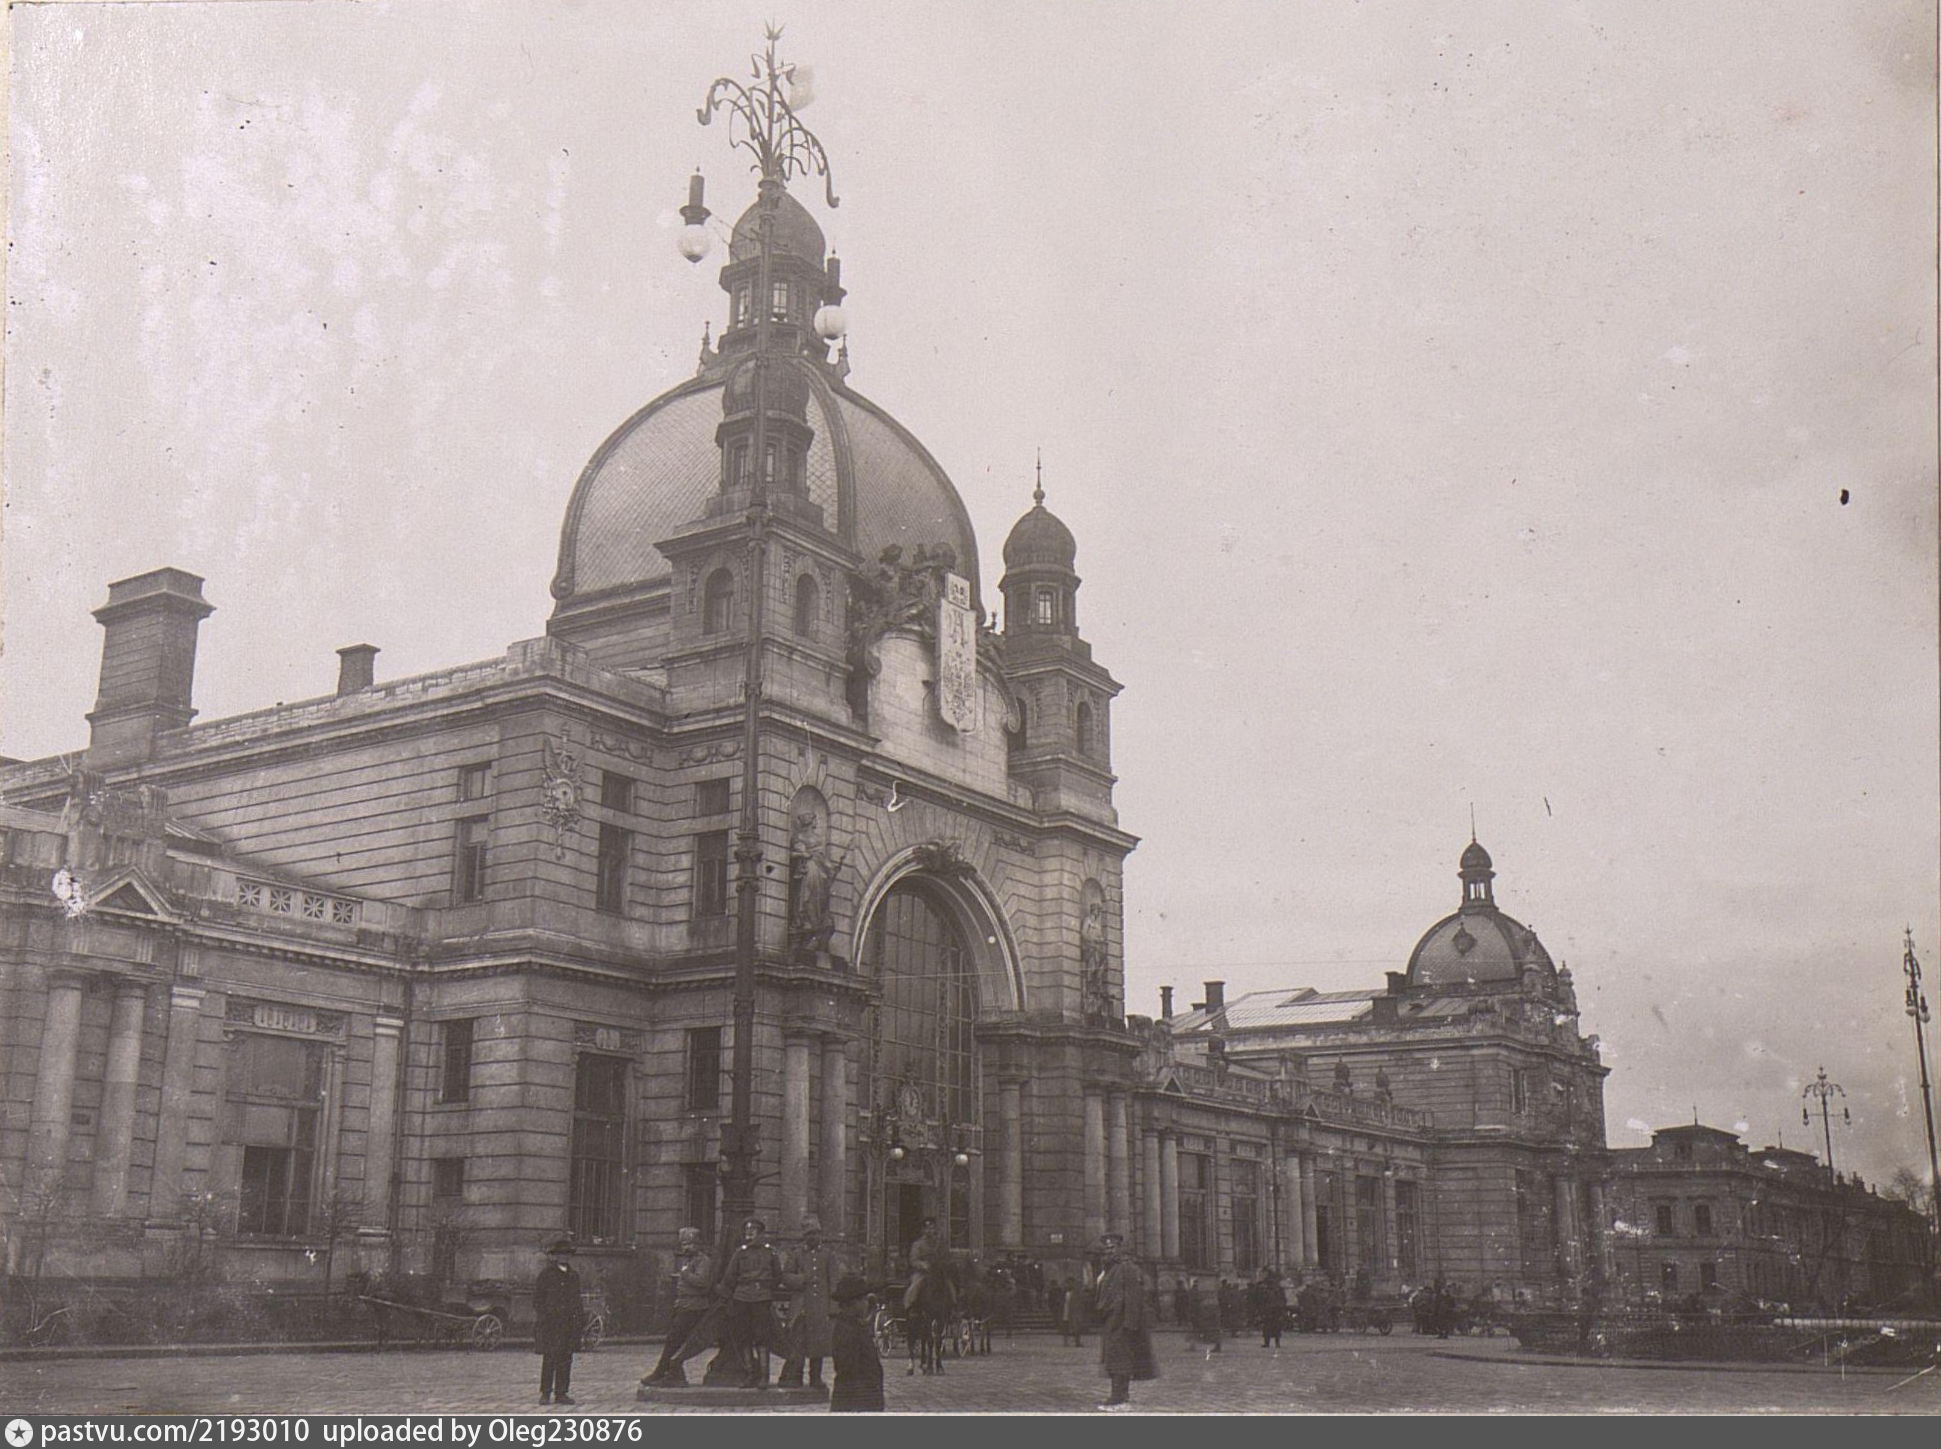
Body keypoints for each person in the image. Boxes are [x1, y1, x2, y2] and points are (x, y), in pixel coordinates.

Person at [715, 1217, 785, 1388]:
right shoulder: (740, 1252)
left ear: (760, 1234)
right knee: (744, 1336)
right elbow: (730, 1276)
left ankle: (764, 1376)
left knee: (762, 1337)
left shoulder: (770, 1252)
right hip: (742, 1298)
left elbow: (777, 1275)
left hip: (762, 1298)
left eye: (752, 1232)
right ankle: (750, 1374)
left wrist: (765, 1288)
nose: (749, 1235)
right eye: (747, 1232)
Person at [1092, 1233, 1158, 1412]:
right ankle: (1120, 1395)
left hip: (1122, 1322)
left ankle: (1119, 1397)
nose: (1109, 1252)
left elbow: (1133, 1296)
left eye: (1112, 1248)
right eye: (1106, 1249)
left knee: (1120, 1360)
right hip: (1112, 1320)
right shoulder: (1110, 1269)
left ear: (1120, 1249)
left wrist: (1130, 1323)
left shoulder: (1126, 1268)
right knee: (1115, 1358)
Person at [641, 1227, 713, 1388]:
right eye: (684, 1244)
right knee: (674, 1340)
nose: (686, 1248)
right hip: (683, 1304)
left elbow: (702, 1282)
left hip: (694, 1307)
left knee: (675, 1340)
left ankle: (662, 1372)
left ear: (698, 1244)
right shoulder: (688, 1260)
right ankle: (673, 1373)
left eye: (689, 1244)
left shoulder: (703, 1261)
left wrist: (685, 1274)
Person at [778, 1214, 841, 1391]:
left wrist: (833, 1307)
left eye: (815, 1233)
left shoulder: (828, 1255)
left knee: (818, 1344)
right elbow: (785, 1277)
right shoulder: (796, 1254)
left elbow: (834, 1282)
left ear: (820, 1235)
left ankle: (815, 1377)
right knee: (797, 1341)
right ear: (804, 1236)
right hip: (801, 1306)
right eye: (809, 1234)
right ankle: (795, 1376)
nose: (812, 1237)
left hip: (820, 1307)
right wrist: (801, 1279)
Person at [533, 1237, 584, 1407]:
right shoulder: (546, 1275)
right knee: (550, 1358)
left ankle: (561, 1392)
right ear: (555, 1256)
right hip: (551, 1323)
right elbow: (537, 1298)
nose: (564, 1256)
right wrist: (545, 1315)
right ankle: (545, 1392)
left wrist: (579, 1319)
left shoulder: (573, 1276)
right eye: (561, 1254)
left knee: (566, 1358)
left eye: (567, 1254)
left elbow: (577, 1299)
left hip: (568, 1323)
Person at [827, 1274, 885, 1413]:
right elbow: (848, 1370)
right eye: (863, 1300)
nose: (866, 1304)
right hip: (856, 1401)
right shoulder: (847, 1331)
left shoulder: (854, 1326)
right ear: (853, 1304)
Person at [902, 1217, 939, 1312]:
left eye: (932, 1228)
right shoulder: (918, 1244)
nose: (930, 1231)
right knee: (916, 1284)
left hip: (937, 1271)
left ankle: (954, 1305)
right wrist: (923, 1265)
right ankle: (910, 1305)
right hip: (922, 1272)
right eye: (927, 1228)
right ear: (923, 1230)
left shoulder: (937, 1243)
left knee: (948, 1283)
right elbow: (913, 1260)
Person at [1250, 1267, 1286, 1349]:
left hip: (1269, 1310)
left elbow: (1261, 1299)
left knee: (1268, 1327)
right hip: (1276, 1310)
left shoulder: (1265, 1289)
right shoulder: (1278, 1289)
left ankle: (1267, 1343)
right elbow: (1283, 1299)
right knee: (1276, 1327)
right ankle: (1277, 1343)